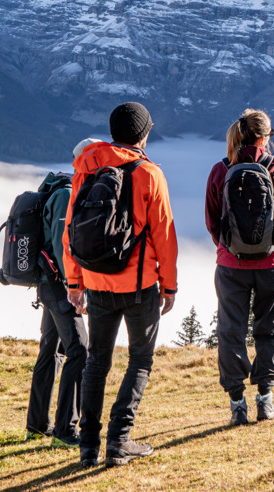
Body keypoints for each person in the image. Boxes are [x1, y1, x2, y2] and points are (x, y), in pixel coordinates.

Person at [63, 102, 178, 468]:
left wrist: (74, 281)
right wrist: (170, 287)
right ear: (144, 134)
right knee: (140, 360)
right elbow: (165, 236)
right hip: (140, 285)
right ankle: (119, 440)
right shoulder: (149, 174)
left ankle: (88, 445)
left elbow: (71, 231)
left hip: (96, 283)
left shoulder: (88, 168)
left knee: (97, 362)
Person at [204, 108, 274, 425]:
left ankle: (237, 405)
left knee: (231, 332)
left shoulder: (221, 169)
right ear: (265, 137)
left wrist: (231, 248)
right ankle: (266, 402)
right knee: (270, 329)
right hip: (271, 263)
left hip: (231, 265)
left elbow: (212, 221)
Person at [25, 139, 96, 446]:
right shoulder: (67, 194)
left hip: (48, 284)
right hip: (58, 286)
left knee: (50, 350)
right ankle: (65, 430)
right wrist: (74, 287)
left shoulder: (60, 189)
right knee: (79, 349)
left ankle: (37, 424)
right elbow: (60, 245)